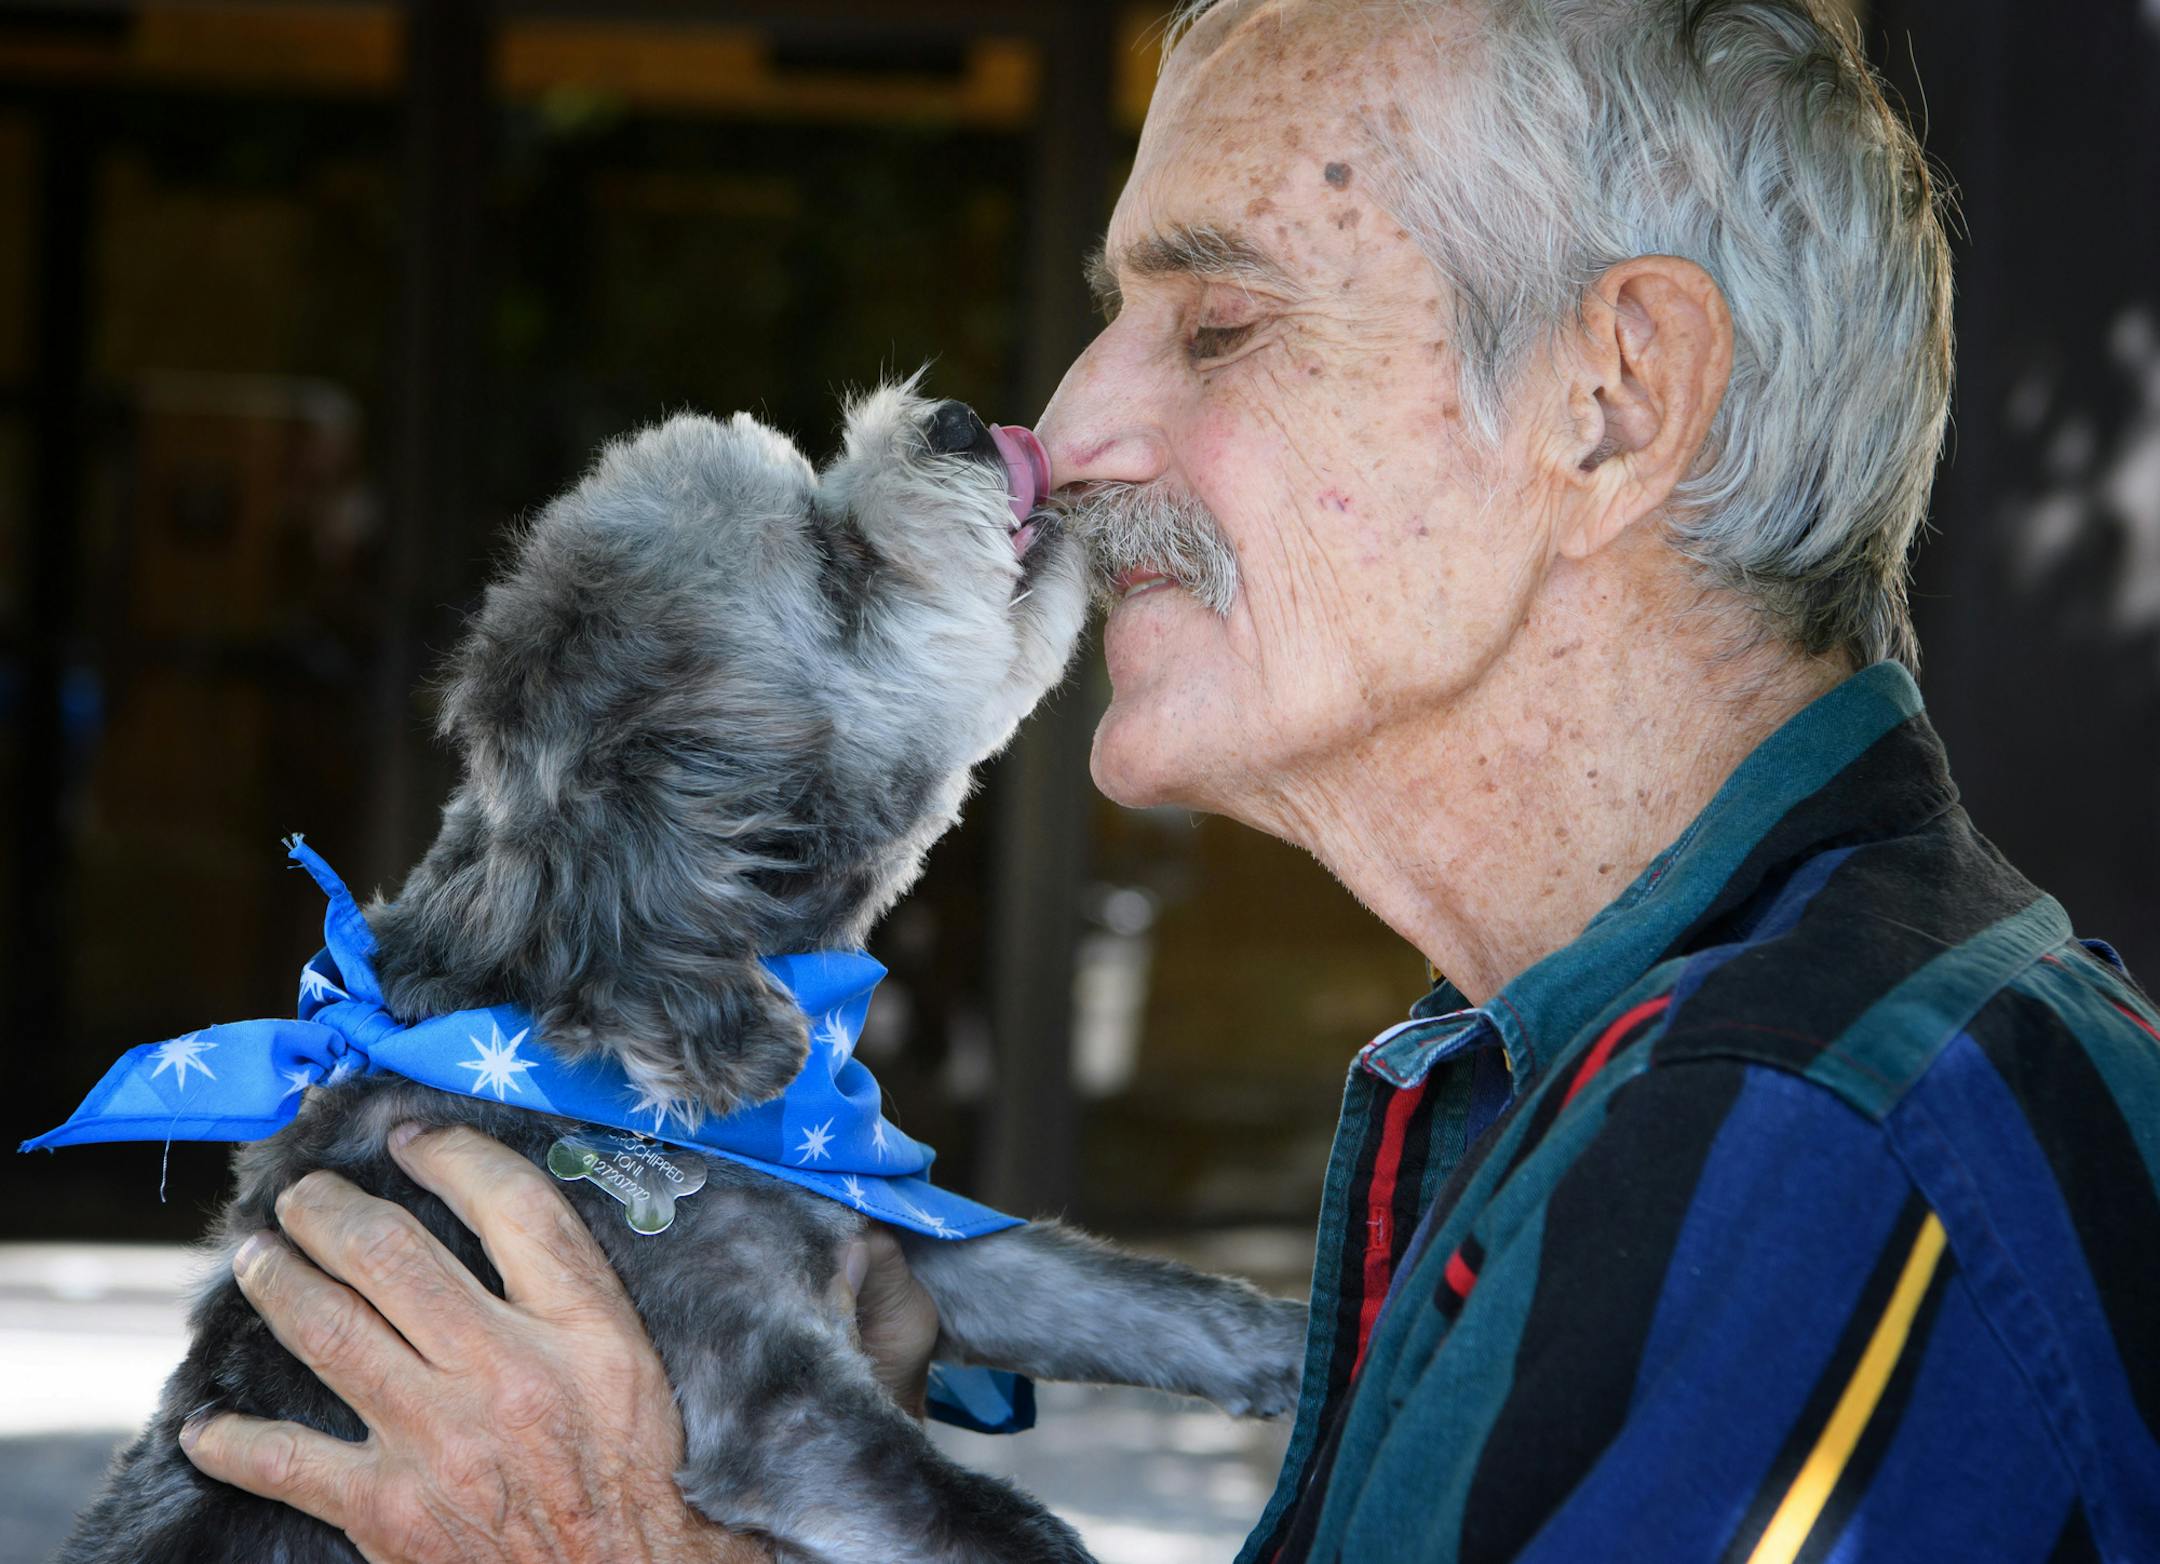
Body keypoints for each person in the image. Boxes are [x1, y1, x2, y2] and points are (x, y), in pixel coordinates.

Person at [180, 0, 2160, 1559]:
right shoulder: (1568, 1072)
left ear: (1614, 398)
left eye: (1217, 319)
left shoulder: (1808, 1154)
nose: (1078, 422)